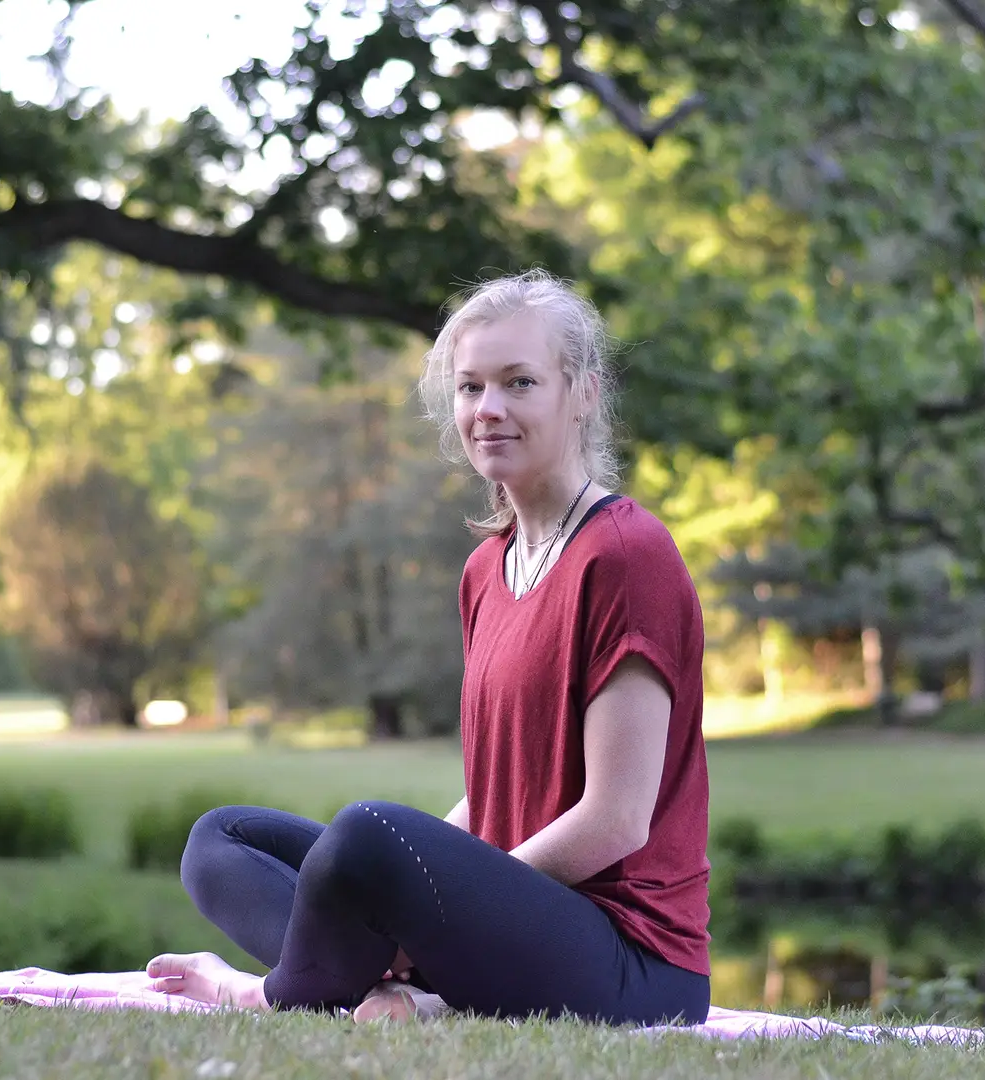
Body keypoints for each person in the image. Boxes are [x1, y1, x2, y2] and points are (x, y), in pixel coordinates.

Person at [146, 269, 712, 1026]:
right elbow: (498, 787)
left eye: (519, 383)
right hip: (513, 923)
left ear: (583, 393)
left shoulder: (625, 556)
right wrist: (426, 898)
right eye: (471, 387)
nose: (490, 410)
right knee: (222, 839)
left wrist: (433, 911)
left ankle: (260, 992)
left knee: (367, 835)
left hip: (631, 959)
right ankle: (390, 994)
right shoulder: (488, 570)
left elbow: (616, 819)